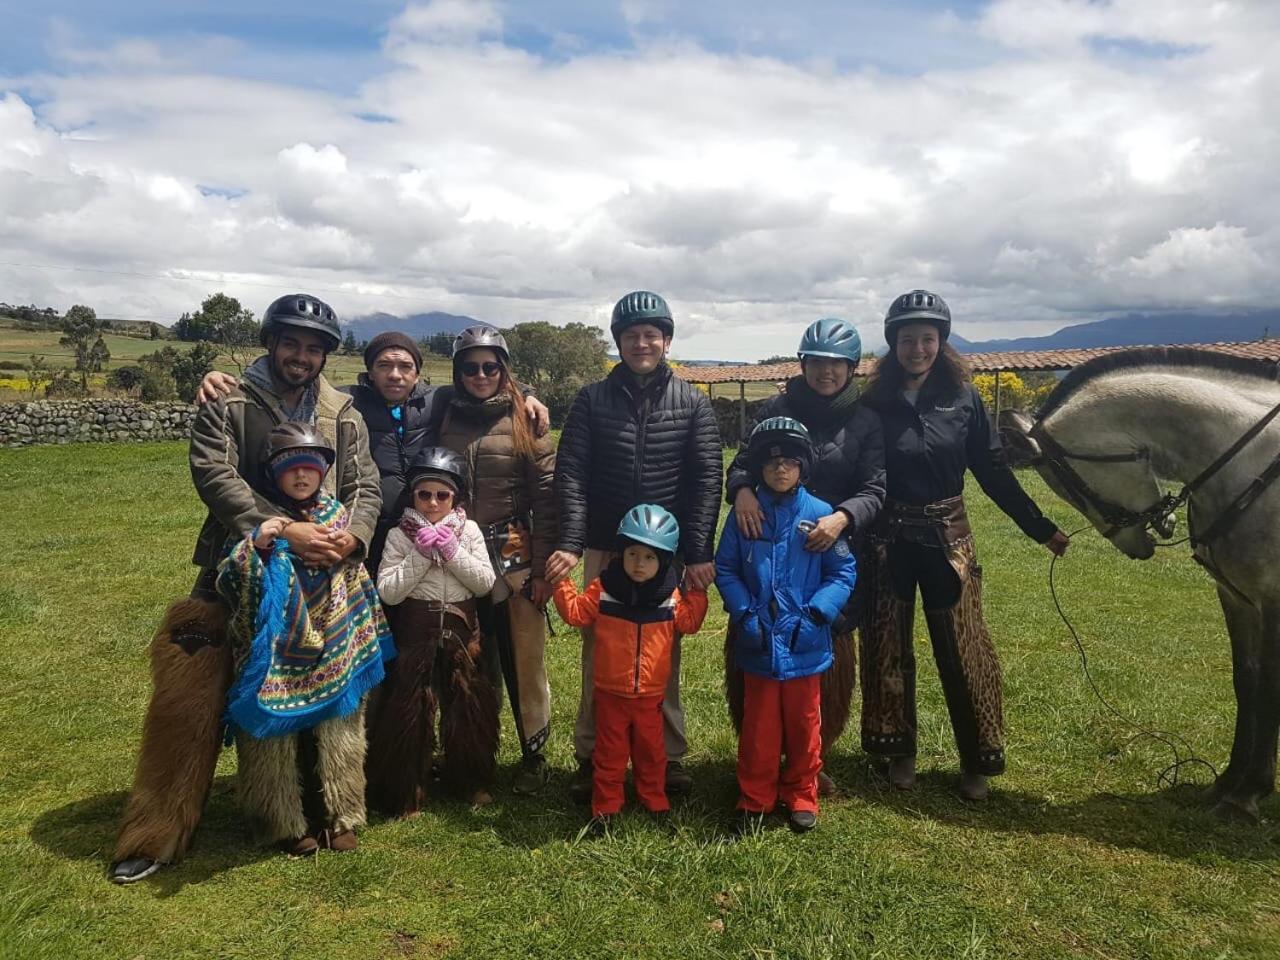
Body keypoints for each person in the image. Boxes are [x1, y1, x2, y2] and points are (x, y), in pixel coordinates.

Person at [111, 293, 382, 883]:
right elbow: (214, 472)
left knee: (331, 692)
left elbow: (365, 487)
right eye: (291, 343)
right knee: (189, 693)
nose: (301, 356)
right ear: (271, 342)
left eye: (313, 348)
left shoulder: (344, 412)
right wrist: (284, 529)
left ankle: (321, 809)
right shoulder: (227, 400)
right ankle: (155, 831)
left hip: (324, 577)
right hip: (233, 568)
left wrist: (352, 538)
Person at [859, 290, 1070, 801]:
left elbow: (992, 470)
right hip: (887, 540)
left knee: (964, 648)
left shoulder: (963, 398)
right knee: (888, 647)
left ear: (941, 342)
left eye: (927, 339)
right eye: (907, 340)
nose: (917, 349)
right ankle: (899, 749)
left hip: (947, 539)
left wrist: (1039, 526)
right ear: (894, 345)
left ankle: (976, 758)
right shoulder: (874, 401)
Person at [546, 290, 723, 800]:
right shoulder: (591, 399)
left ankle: (664, 756)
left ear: (666, 341)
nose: (642, 343)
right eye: (631, 335)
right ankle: (592, 754)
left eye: (651, 335)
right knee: (599, 651)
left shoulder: (692, 402)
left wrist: (699, 551)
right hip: (606, 544)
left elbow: (706, 479)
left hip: (665, 554)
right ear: (618, 341)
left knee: (662, 654)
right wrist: (573, 542)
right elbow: (572, 473)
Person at [195, 331, 550, 577]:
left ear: (418, 374)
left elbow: (483, 386)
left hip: (428, 523)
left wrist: (528, 394)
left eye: (405, 367)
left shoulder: (437, 400)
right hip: (369, 530)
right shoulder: (349, 401)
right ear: (370, 371)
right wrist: (219, 378)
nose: (395, 375)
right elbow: (299, 379)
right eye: (384, 365)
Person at [215, 423, 394, 855]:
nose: (300, 477)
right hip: (277, 648)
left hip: (335, 640)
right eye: (290, 469)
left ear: (322, 472)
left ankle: (342, 812)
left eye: (309, 469)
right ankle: (282, 820)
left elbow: (355, 579)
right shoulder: (266, 523)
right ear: (274, 474)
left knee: (340, 728)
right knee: (273, 737)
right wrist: (258, 548)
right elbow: (233, 578)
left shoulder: (338, 518)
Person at [724, 318, 884, 795]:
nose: (826, 372)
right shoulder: (774, 406)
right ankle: (760, 756)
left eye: (836, 364)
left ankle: (811, 761)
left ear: (851, 368)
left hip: (831, 556)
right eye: (817, 362)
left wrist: (842, 518)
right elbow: (740, 463)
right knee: (755, 648)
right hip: (767, 555)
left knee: (827, 659)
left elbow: (876, 487)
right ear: (804, 364)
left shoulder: (866, 419)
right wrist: (742, 492)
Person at [716, 418, 858, 833]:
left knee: (803, 723)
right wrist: (744, 613)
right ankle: (754, 796)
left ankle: (801, 791)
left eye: (791, 462)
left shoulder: (820, 516)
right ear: (759, 466)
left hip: (805, 644)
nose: (781, 469)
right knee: (758, 726)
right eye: (773, 462)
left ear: (804, 467)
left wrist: (817, 614)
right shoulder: (745, 516)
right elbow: (726, 568)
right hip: (758, 643)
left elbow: (842, 572)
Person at [438, 325, 558, 794]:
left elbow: (548, 495)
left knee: (524, 658)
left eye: (491, 366)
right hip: (458, 546)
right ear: (457, 372)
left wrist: (545, 565)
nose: (481, 375)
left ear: (504, 369)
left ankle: (535, 755)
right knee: (466, 655)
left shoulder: (526, 419)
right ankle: (470, 754)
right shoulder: (443, 410)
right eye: (470, 367)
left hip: (513, 549)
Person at [552, 505, 708, 832]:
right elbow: (578, 614)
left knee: (652, 753)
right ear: (620, 553)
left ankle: (654, 799)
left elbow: (690, 623)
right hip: (611, 694)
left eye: (649, 557)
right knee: (609, 756)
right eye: (633, 554)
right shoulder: (604, 587)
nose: (639, 564)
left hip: (650, 697)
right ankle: (606, 807)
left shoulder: (670, 596)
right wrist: (561, 581)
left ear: (664, 561)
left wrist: (698, 591)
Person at [366, 447, 498, 812]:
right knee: (409, 714)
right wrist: (419, 555)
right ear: (414, 496)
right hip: (415, 634)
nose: (433, 503)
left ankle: (471, 779)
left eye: (442, 495)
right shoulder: (399, 536)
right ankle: (405, 786)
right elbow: (389, 591)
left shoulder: (468, 531)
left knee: (468, 709)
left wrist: (453, 551)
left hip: (461, 634)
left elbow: (485, 583)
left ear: (455, 498)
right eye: (425, 494)